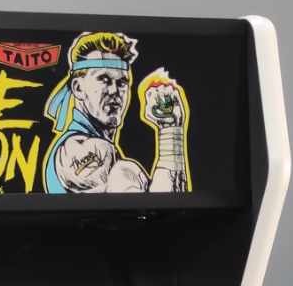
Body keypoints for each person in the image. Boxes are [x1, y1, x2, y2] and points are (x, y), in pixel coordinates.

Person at [43, 30, 190, 194]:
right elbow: (161, 205)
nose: (114, 91)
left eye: (122, 83)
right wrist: (170, 134)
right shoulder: (78, 149)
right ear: (78, 88)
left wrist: (171, 130)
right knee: (124, 172)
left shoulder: (102, 149)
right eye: (104, 79)